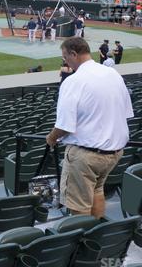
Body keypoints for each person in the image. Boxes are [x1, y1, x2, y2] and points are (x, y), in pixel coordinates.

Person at [46, 37, 132, 217]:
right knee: (97, 191)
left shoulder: (73, 81)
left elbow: (64, 126)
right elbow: (125, 112)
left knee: (79, 203)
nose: (65, 61)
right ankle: (96, 234)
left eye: (65, 57)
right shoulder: (112, 73)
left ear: (73, 54)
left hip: (87, 154)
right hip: (114, 151)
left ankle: (81, 241)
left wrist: (51, 138)